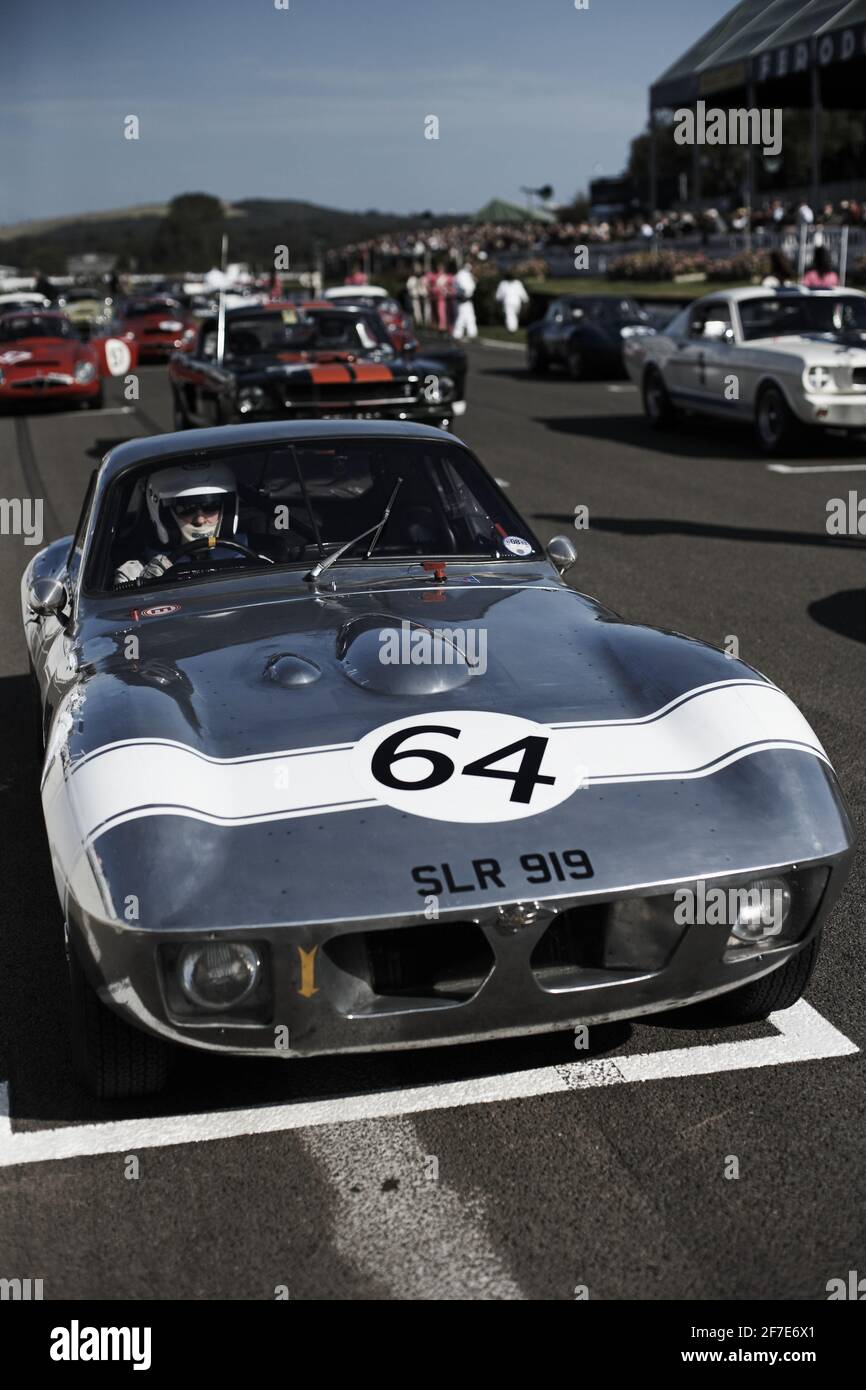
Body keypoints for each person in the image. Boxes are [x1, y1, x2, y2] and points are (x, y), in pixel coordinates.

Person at [113, 463, 241, 587]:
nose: (200, 520)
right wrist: (148, 587)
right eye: (186, 508)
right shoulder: (133, 575)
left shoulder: (254, 561)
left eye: (210, 506)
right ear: (163, 513)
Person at [452, 261, 478, 340]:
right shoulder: (463, 275)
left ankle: (470, 332)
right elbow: (464, 288)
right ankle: (459, 333)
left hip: (464, 299)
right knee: (462, 317)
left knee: (467, 317)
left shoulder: (461, 275)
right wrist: (464, 296)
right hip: (463, 299)